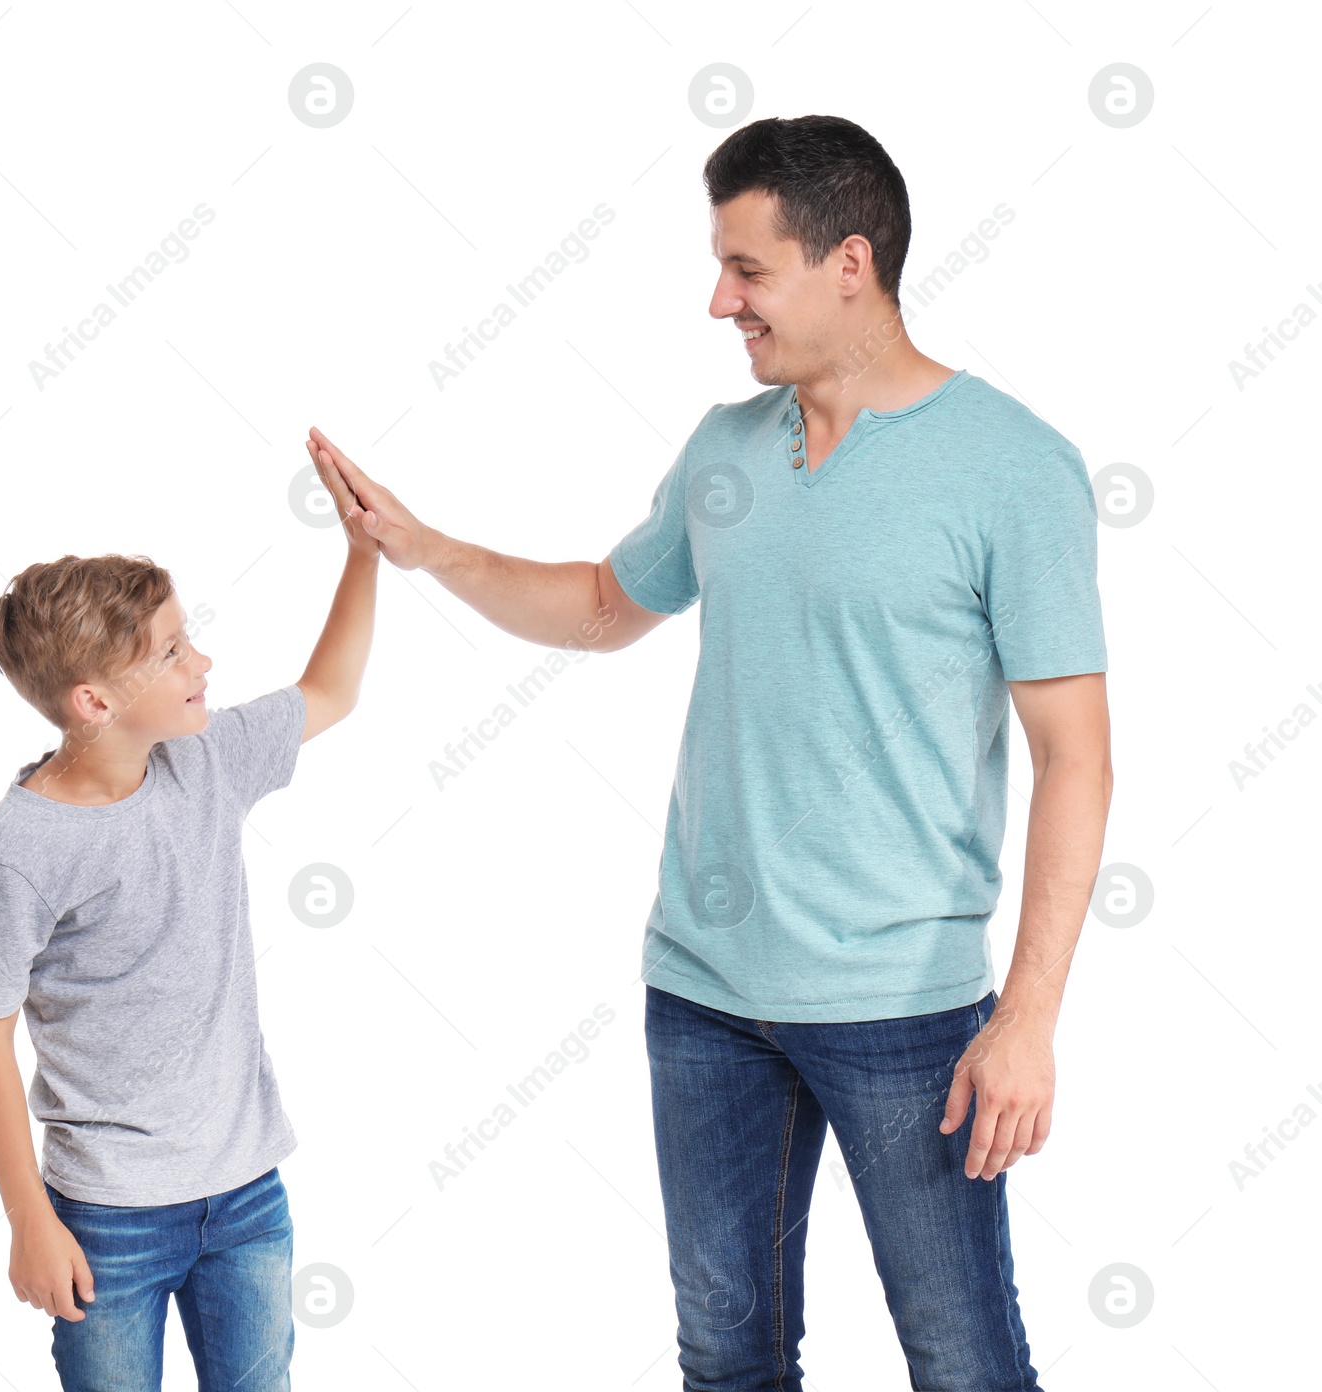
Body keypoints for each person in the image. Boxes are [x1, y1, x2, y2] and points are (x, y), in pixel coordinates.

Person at [306, 114, 1112, 1391]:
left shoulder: (1011, 469)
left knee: (963, 1360)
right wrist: (427, 549)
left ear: (850, 262)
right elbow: (597, 609)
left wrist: (1027, 1020)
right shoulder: (726, 451)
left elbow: (1077, 758)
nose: (717, 300)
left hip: (901, 1011)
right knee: (726, 1354)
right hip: (702, 991)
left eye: (748, 270)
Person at [0, 446, 377, 1391]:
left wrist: (363, 555)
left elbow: (333, 691)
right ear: (94, 701)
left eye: (189, 639)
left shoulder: (207, 758)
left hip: (246, 1197)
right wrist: (29, 1216)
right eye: (172, 653)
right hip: (106, 1218)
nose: (204, 663)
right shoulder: (17, 851)